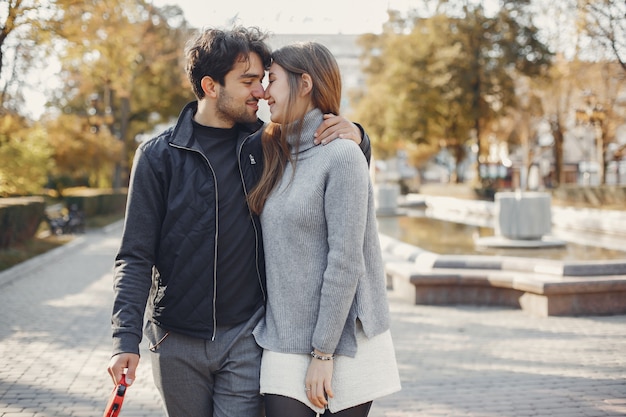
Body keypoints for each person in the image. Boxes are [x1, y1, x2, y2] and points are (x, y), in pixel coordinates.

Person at [107, 27, 371, 417]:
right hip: (175, 339)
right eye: (248, 81)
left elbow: (328, 162)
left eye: (263, 80)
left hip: (246, 338)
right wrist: (124, 338)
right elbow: (135, 255)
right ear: (211, 86)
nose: (261, 92)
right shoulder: (157, 156)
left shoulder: (268, 145)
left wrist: (360, 137)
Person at [248, 42, 401, 417]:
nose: (264, 92)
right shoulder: (275, 152)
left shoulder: (342, 155)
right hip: (283, 336)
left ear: (305, 84)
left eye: (272, 80)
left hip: (344, 341)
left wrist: (323, 353)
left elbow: (345, 261)